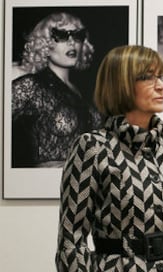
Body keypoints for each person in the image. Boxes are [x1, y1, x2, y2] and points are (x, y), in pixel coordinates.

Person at [55, 45, 163, 272]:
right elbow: (71, 239)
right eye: (147, 77)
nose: (161, 85)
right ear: (120, 84)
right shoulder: (92, 148)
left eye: (161, 76)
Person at [11, 12, 101, 167]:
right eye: (62, 35)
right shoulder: (30, 86)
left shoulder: (84, 93)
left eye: (77, 35)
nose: (72, 43)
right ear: (44, 43)